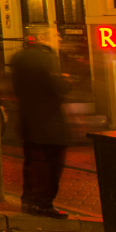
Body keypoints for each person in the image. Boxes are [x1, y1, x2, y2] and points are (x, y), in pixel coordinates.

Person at [10, 38, 72, 219]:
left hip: (28, 122)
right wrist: (66, 81)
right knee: (51, 166)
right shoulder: (46, 61)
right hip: (49, 126)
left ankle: (29, 200)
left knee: (31, 163)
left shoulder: (19, 61)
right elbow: (58, 87)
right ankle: (43, 204)